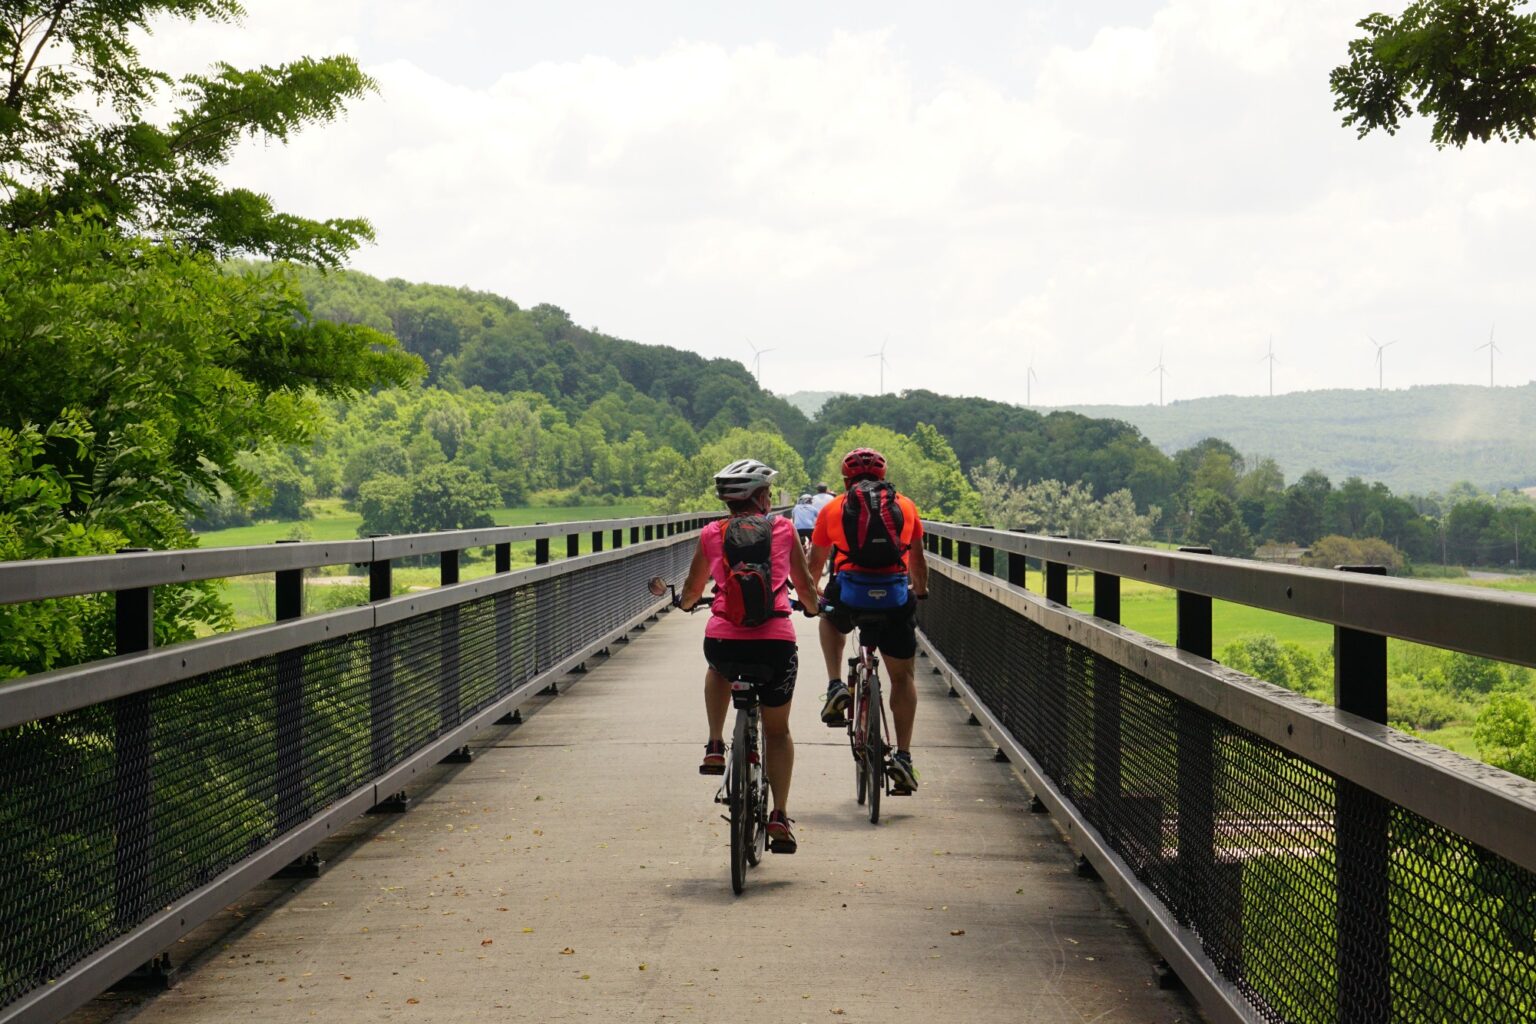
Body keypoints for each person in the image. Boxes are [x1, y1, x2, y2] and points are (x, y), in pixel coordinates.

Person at [678, 458, 821, 853]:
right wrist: (811, 608)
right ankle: (779, 814)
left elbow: (692, 590)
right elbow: (806, 588)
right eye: (768, 492)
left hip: (725, 641)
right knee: (777, 731)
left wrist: (686, 603)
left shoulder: (711, 532)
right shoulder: (783, 528)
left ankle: (714, 743)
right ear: (760, 496)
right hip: (775, 642)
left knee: (717, 667)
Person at [806, 448, 929, 792]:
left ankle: (835, 685)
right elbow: (917, 561)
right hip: (893, 597)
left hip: (850, 595)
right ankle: (903, 757)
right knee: (902, 680)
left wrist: (812, 596)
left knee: (828, 617)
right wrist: (920, 591)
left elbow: (814, 564)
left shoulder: (833, 507)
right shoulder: (905, 506)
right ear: (884, 475)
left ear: (846, 480)